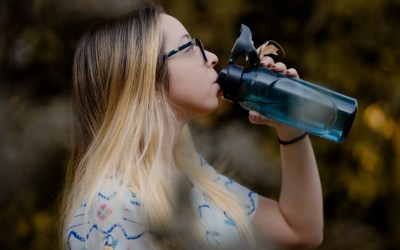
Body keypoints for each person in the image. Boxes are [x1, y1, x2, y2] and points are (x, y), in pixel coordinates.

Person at [60, 2, 323, 249]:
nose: (211, 57)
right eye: (188, 48)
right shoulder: (112, 206)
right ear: (145, 78)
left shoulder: (195, 177)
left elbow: (300, 230)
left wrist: (289, 123)